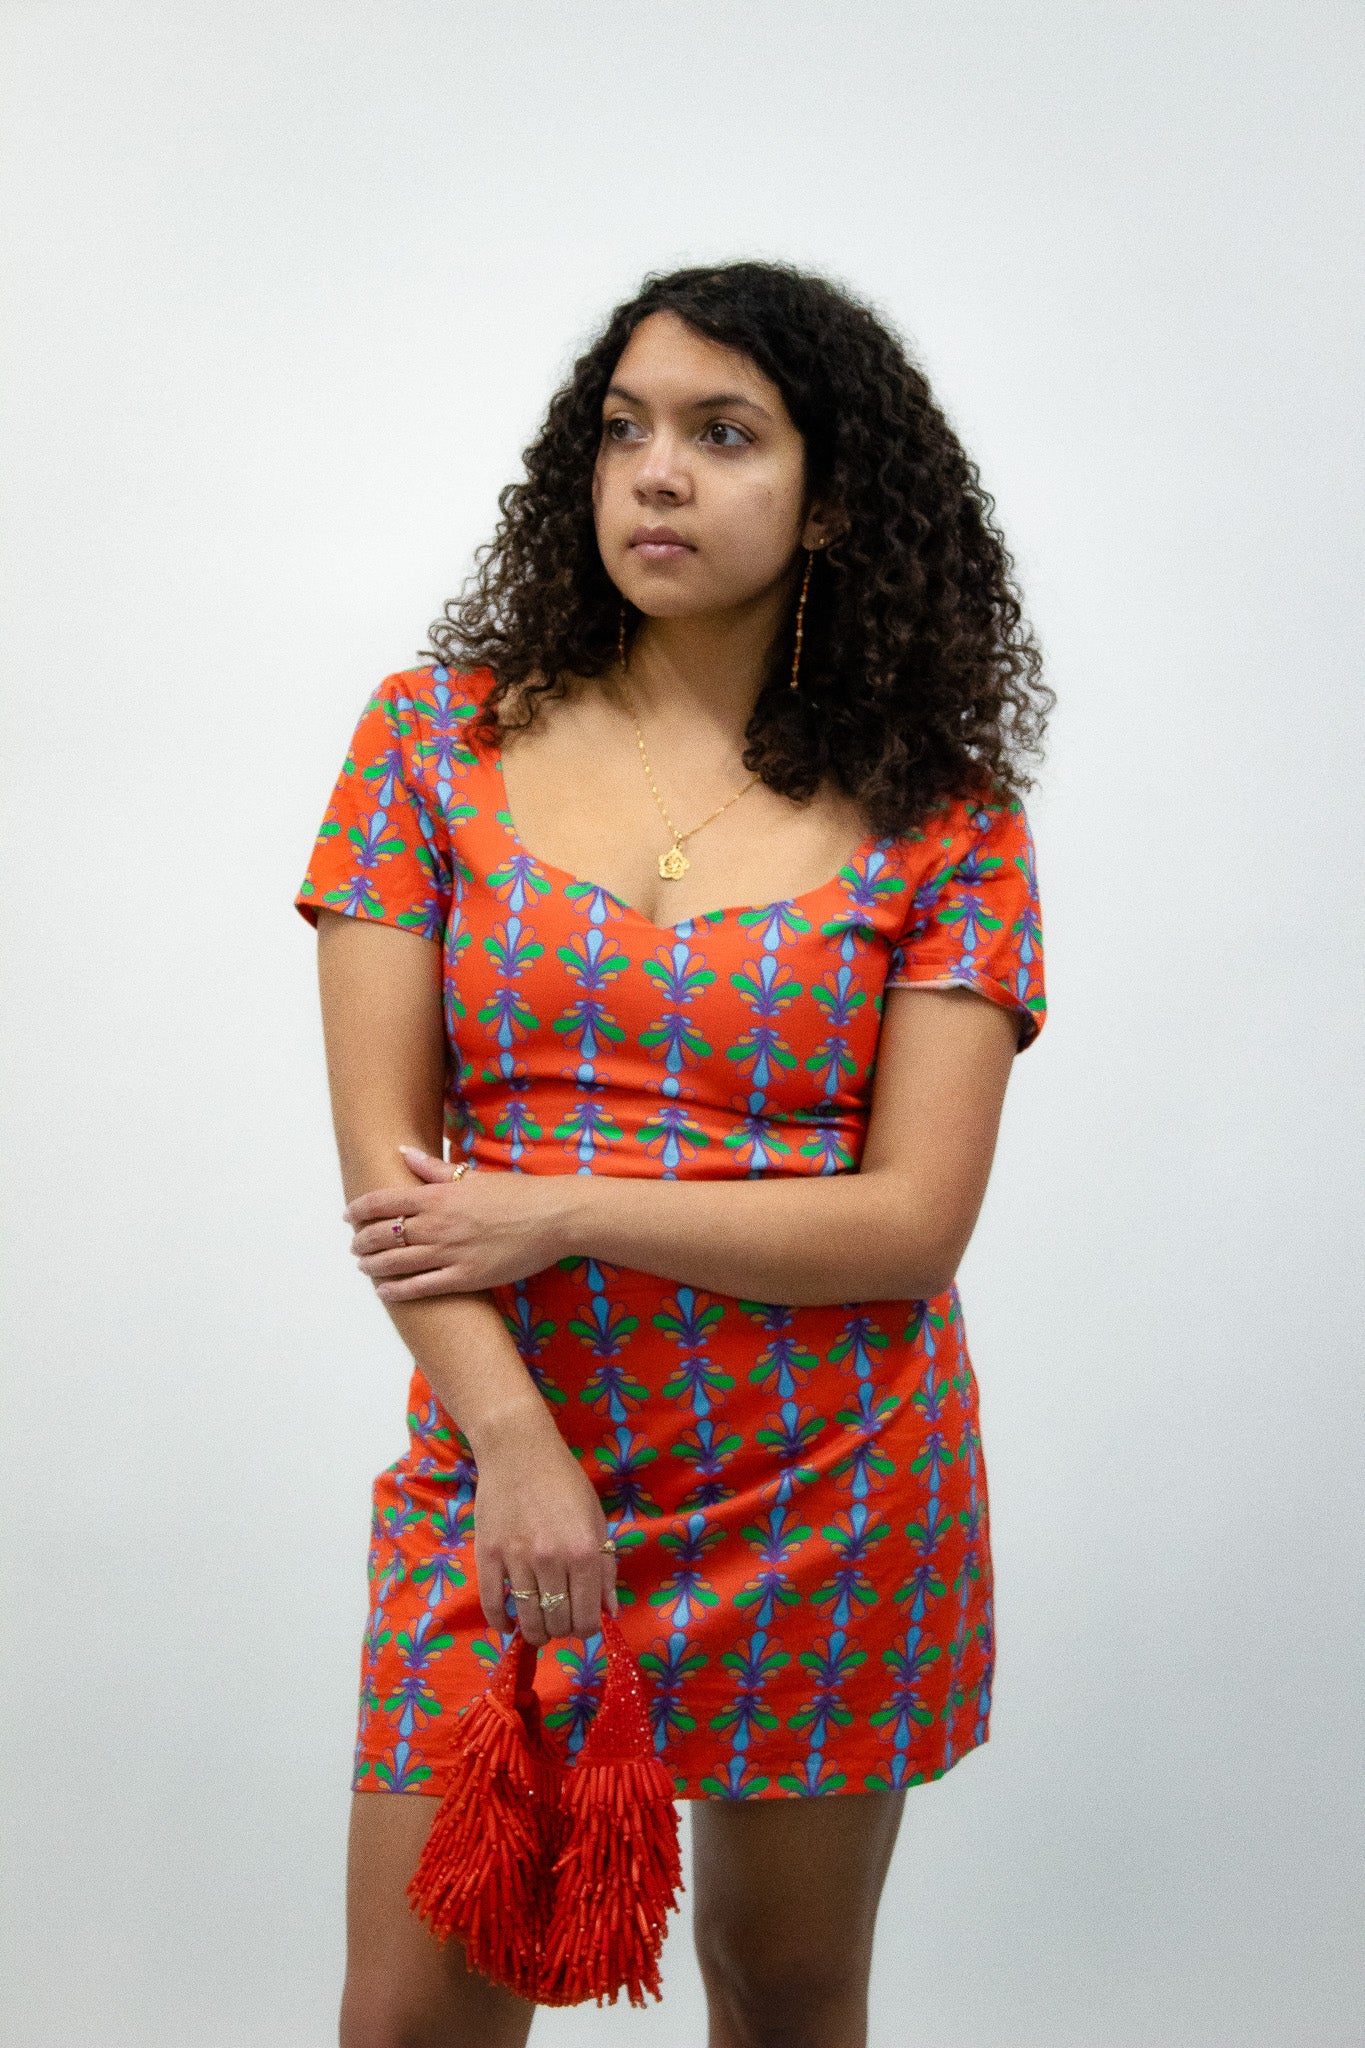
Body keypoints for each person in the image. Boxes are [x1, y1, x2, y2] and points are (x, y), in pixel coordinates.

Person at [295, 259, 1053, 2048]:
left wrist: (558, 1202)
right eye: (624, 430)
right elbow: (394, 1170)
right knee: (412, 2018)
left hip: (831, 1490)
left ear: (833, 495)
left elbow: (911, 1224)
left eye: (724, 435)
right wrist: (513, 1449)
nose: (656, 474)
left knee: (784, 1998)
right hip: (506, 1481)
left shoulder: (943, 812)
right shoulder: (434, 739)